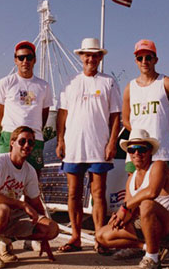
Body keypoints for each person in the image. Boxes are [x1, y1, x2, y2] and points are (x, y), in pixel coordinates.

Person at [55, 38, 121, 254]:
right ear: (81, 56)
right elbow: (62, 114)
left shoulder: (109, 82)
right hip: (74, 147)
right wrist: (60, 140)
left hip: (99, 147)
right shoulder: (70, 82)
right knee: (73, 194)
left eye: (95, 55)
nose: (91, 58)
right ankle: (75, 237)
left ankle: (100, 239)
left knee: (98, 193)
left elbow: (115, 116)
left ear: (100, 57)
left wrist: (112, 142)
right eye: (87, 55)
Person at [95, 129, 169, 269]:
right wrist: (119, 219)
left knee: (146, 204)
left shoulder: (159, 166)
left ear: (150, 151)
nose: (136, 154)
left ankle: (152, 258)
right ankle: (149, 247)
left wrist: (124, 207)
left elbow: (152, 192)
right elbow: (128, 208)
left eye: (141, 149)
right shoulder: (131, 179)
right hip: (147, 225)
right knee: (102, 235)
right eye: (132, 150)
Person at [0, 126, 59, 269]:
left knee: (52, 228)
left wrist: (45, 237)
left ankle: (5, 240)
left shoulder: (29, 170)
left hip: (10, 214)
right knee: (2, 210)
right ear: (12, 143)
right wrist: (22, 205)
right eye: (22, 141)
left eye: (30, 143)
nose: (26, 145)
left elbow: (35, 202)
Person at [122, 39, 169, 174]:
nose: (144, 61)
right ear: (136, 61)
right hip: (135, 152)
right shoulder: (130, 87)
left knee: (161, 194)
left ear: (156, 60)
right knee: (135, 192)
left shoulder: (167, 83)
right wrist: (140, 136)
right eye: (140, 58)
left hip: (161, 152)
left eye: (148, 57)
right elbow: (125, 120)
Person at [0, 40, 52, 178]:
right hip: (9, 136)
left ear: (35, 60)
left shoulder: (44, 86)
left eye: (29, 57)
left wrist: (34, 129)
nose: (25, 61)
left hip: (35, 138)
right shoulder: (5, 83)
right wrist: (8, 129)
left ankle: (29, 201)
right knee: (5, 176)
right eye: (21, 57)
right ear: (15, 60)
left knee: (33, 178)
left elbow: (44, 113)